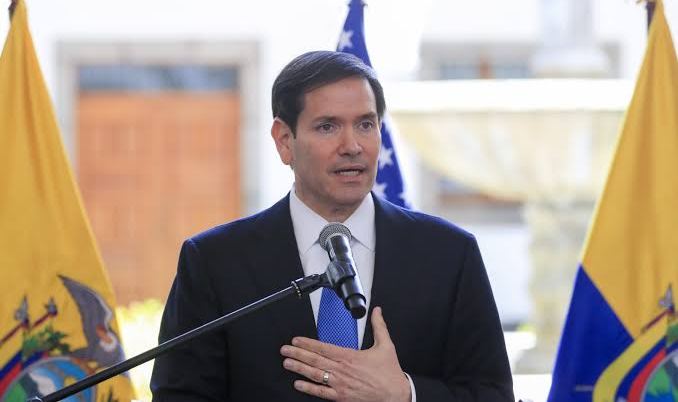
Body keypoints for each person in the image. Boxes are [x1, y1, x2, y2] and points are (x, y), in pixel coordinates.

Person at [150, 51, 514, 401]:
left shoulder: (448, 254)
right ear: (284, 140)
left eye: (366, 124)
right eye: (328, 126)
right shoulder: (215, 261)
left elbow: (493, 394)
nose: (352, 146)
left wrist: (404, 394)